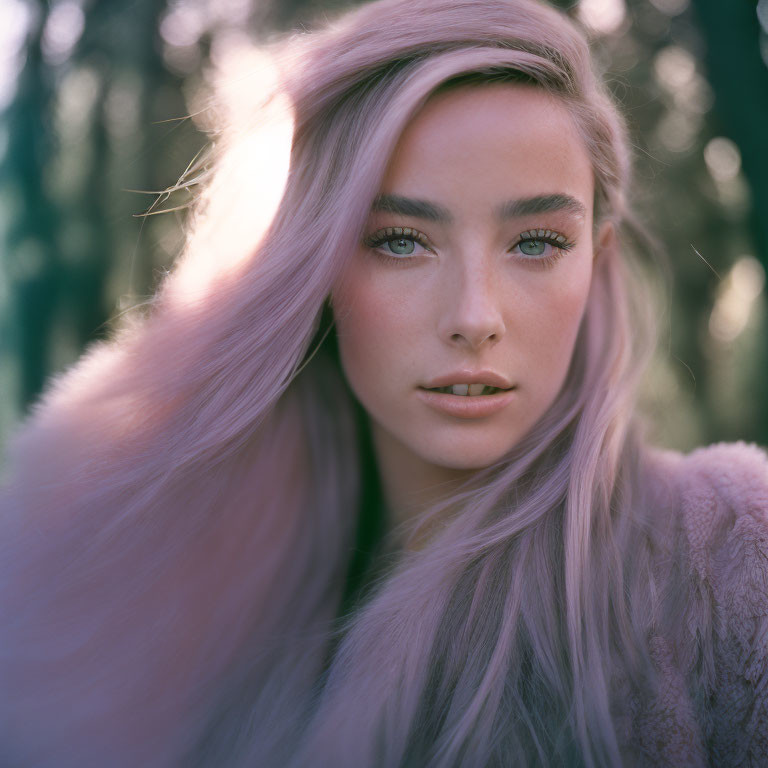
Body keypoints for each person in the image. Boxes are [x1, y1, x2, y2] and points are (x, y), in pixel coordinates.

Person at [1, 0, 766, 765]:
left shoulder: (732, 562)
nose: (475, 316)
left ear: (595, 260)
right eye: (401, 241)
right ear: (313, 266)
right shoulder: (165, 629)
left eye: (536, 242)